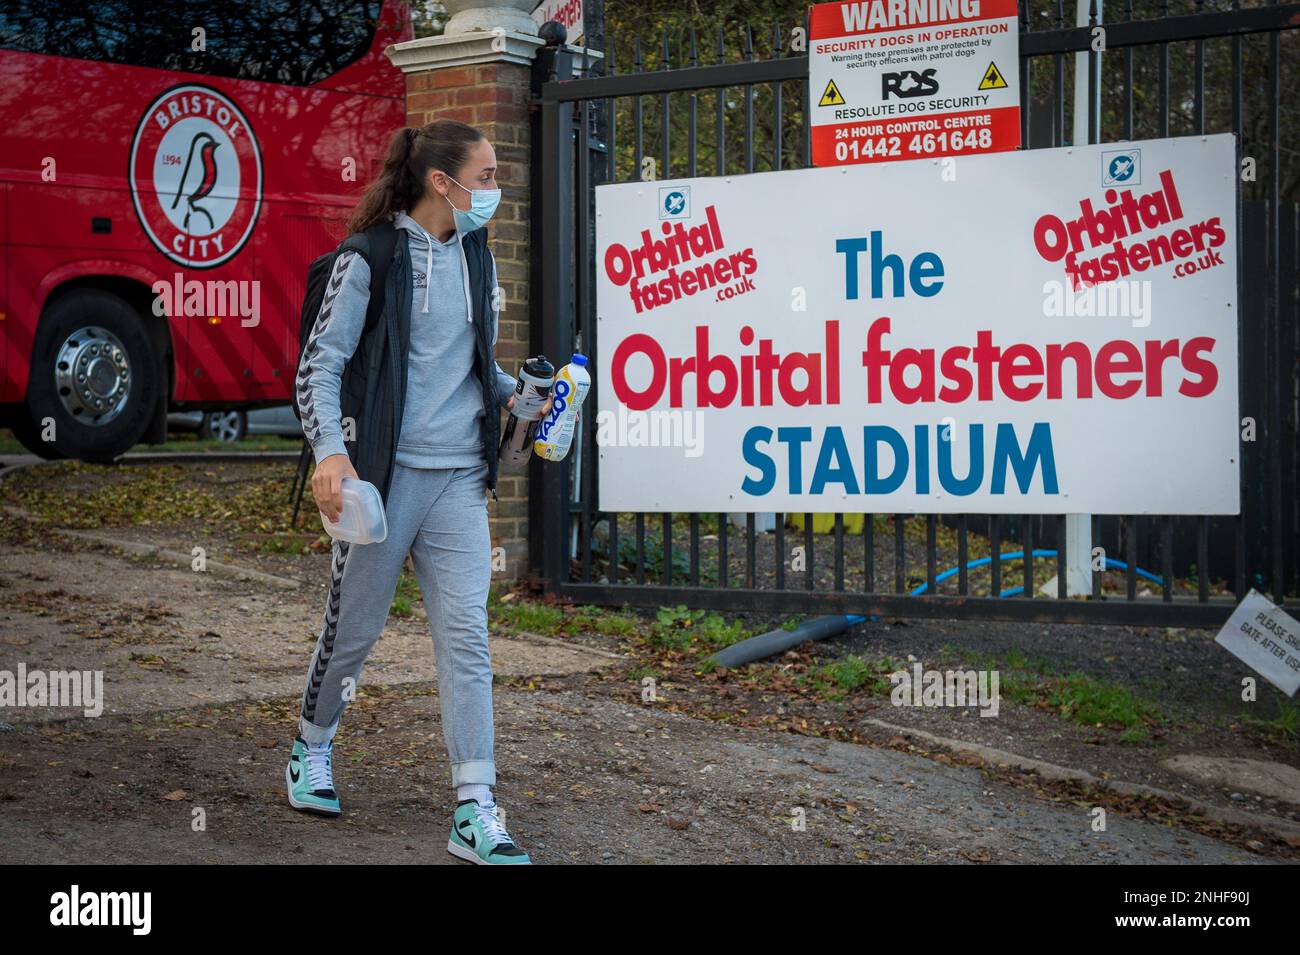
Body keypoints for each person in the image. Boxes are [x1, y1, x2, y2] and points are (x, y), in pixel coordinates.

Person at [286, 119, 545, 865]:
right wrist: (332, 455)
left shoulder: (476, 256)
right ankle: (311, 746)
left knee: (467, 638)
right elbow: (320, 368)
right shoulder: (367, 260)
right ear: (443, 181)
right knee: (354, 632)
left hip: (459, 478)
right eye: (488, 176)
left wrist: (527, 399)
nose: (495, 190)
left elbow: (472, 366)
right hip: (381, 480)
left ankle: (475, 804)